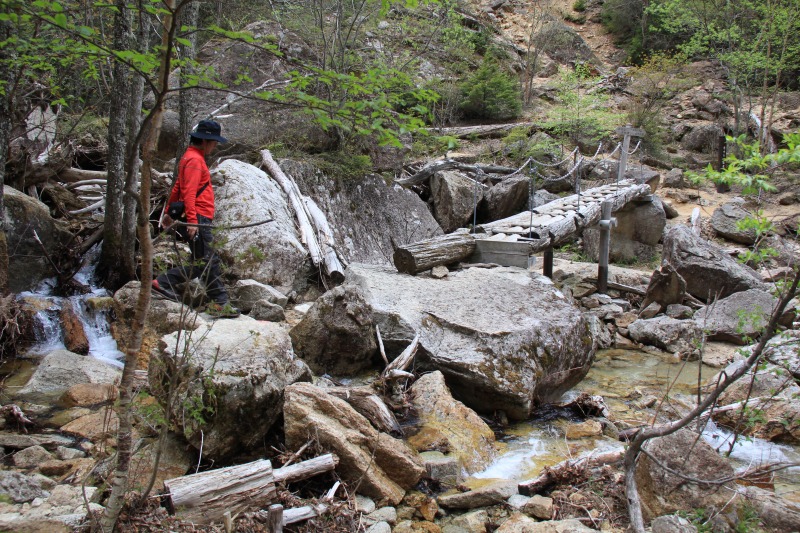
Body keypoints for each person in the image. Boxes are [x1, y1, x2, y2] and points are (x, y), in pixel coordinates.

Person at [152, 120, 240, 318]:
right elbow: (189, 193)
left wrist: (168, 212)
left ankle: (217, 302)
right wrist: (192, 221)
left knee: (202, 261)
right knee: (208, 262)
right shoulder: (194, 161)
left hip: (198, 217)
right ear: (205, 141)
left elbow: (177, 187)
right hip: (199, 218)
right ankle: (218, 303)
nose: (215, 146)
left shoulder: (190, 158)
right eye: (214, 142)